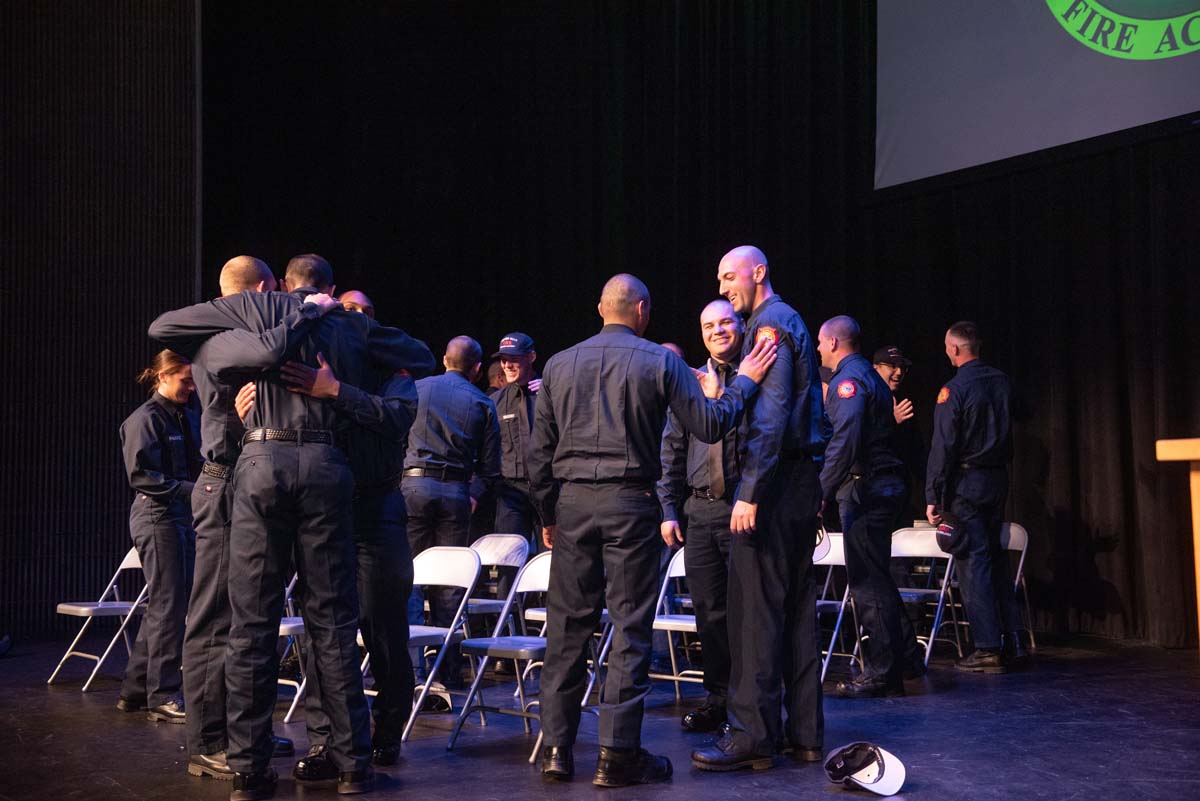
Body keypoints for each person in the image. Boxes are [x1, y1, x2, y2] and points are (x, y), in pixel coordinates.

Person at [148, 254, 435, 800]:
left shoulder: (240, 317)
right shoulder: (347, 323)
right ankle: (353, 765)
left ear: (276, 284)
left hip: (261, 464)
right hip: (328, 469)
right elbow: (419, 356)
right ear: (327, 286)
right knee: (333, 620)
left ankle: (249, 768)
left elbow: (175, 335)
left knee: (251, 623)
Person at [529, 274, 777, 787]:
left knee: (567, 627)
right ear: (642, 310)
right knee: (629, 627)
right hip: (629, 503)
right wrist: (747, 381)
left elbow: (538, 456)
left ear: (601, 307)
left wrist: (549, 516)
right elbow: (710, 425)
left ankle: (556, 749)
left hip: (572, 505)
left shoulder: (557, 363)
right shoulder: (660, 360)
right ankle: (616, 756)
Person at [270, 295, 422, 772]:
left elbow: (396, 418)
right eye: (341, 313)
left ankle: (387, 731)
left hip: (377, 512)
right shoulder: (315, 367)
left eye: (359, 314)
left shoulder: (392, 373)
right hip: (325, 511)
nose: (348, 321)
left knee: (383, 628)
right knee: (325, 632)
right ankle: (326, 742)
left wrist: (336, 392)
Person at [692, 245, 829, 772]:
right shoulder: (783, 321)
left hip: (773, 485)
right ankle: (804, 734)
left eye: (730, 276)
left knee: (753, 615)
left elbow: (771, 418)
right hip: (795, 480)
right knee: (795, 612)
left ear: (759, 273)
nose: (723, 287)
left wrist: (748, 491)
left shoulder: (770, 326)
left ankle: (751, 735)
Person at [174, 256, 308, 780]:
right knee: (217, 617)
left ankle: (245, 732)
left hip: (242, 482)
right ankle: (210, 741)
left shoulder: (234, 339)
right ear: (261, 290)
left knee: (250, 615)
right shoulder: (220, 340)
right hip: (224, 481)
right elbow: (222, 424)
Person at [816, 316, 923, 698]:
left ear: (832, 342)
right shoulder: (869, 376)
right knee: (877, 576)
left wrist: (820, 492)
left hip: (866, 488)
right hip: (882, 485)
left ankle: (881, 673)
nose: (817, 349)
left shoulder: (848, 381)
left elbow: (845, 441)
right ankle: (906, 658)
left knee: (866, 582)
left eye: (820, 343)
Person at [657, 299, 745, 734]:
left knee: (747, 612)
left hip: (741, 509)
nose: (718, 331)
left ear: (740, 326)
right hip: (699, 509)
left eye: (725, 322)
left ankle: (750, 704)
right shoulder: (690, 382)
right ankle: (719, 698)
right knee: (709, 612)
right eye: (709, 325)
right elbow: (672, 448)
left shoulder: (754, 377)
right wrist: (668, 509)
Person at [401, 336, 500, 688]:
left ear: (444, 360)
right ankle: (449, 671)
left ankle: (415, 672)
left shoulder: (416, 389)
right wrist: (472, 495)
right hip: (456, 494)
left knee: (410, 577)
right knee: (449, 583)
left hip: (413, 488)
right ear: (477, 369)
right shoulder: (482, 401)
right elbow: (491, 467)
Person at [926, 321, 1023, 673]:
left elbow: (944, 445)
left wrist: (933, 493)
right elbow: (1022, 413)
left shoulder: (954, 389)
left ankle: (986, 648)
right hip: (997, 478)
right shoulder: (1002, 380)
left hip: (967, 482)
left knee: (974, 561)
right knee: (996, 558)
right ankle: (1013, 640)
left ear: (954, 349)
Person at [118, 349, 200, 725]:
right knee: (169, 605)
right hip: (157, 516)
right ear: (162, 376)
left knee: (166, 605)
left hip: (179, 516)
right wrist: (196, 491)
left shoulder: (186, 415)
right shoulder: (145, 419)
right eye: (185, 380)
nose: (191, 387)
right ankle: (163, 695)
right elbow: (142, 477)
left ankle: (135, 690)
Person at [872, 345, 927, 526]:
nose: (899, 372)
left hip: (899, 486)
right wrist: (891, 421)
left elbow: (916, 451)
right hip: (872, 486)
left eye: (902, 367)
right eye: (892, 366)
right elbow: (857, 440)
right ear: (875, 368)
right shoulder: (865, 399)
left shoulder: (903, 401)